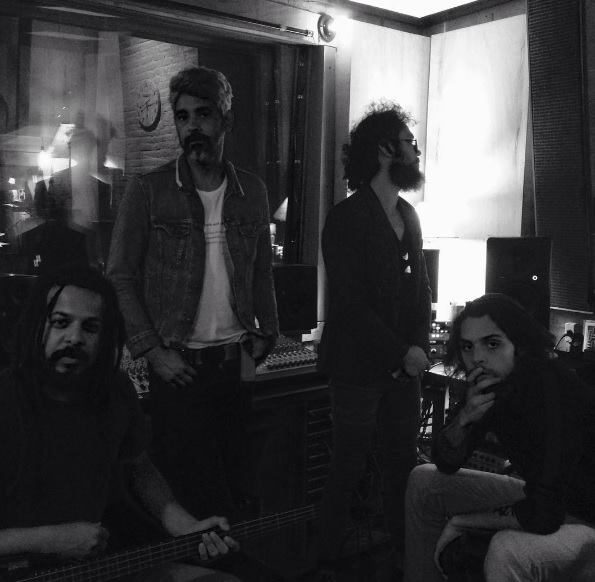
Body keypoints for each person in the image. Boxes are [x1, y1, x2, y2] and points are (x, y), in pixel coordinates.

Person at [107, 66, 278, 519]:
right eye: (183, 117)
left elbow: (262, 271)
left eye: (203, 114)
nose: (192, 127)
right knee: (190, 498)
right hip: (179, 369)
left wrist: (268, 330)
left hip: (236, 365)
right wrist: (152, 350)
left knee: (237, 488)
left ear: (226, 120)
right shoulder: (148, 190)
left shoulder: (252, 191)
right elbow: (119, 275)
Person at [0, 266, 239, 582]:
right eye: (60, 322)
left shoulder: (115, 390)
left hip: (96, 566)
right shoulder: (6, 398)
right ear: (36, 325)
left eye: (90, 327)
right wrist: (50, 540)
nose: (74, 338)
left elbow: (140, 470)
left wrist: (187, 527)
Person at [403, 293, 595, 582]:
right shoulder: (495, 384)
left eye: (492, 344)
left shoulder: (552, 386)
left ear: (519, 343)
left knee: (506, 549)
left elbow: (544, 515)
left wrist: (464, 522)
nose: (477, 357)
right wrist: (465, 417)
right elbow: (446, 462)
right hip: (547, 498)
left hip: (584, 513)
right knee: (423, 480)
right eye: (468, 347)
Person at [315, 102, 432, 574]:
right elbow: (350, 305)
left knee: (403, 468)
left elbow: (421, 290)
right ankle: (324, 563)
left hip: (403, 370)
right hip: (358, 370)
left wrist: (418, 347)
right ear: (385, 149)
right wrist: (402, 352)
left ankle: (405, 562)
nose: (415, 151)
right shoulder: (346, 218)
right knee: (348, 468)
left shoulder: (409, 215)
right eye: (409, 142)